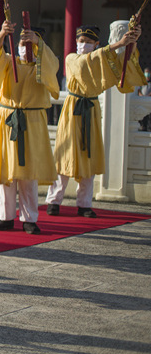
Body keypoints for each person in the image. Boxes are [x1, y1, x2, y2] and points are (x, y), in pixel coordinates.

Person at [47, 24, 145, 216]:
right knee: (64, 154)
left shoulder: (101, 58)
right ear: (76, 41)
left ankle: (84, 204)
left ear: (96, 43)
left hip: (90, 110)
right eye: (81, 41)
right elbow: (85, 64)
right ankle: (54, 200)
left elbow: (122, 63)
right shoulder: (71, 58)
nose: (84, 44)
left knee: (88, 155)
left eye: (89, 42)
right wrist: (117, 44)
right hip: (72, 109)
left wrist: (132, 42)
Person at [0, 20, 59, 234]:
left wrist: (39, 45)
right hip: (8, 118)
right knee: (7, 170)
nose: (25, 48)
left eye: (30, 44)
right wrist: (2, 34)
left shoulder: (44, 63)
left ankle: (29, 218)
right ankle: (5, 216)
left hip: (32, 121)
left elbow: (52, 66)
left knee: (28, 173)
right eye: (22, 43)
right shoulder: (8, 61)